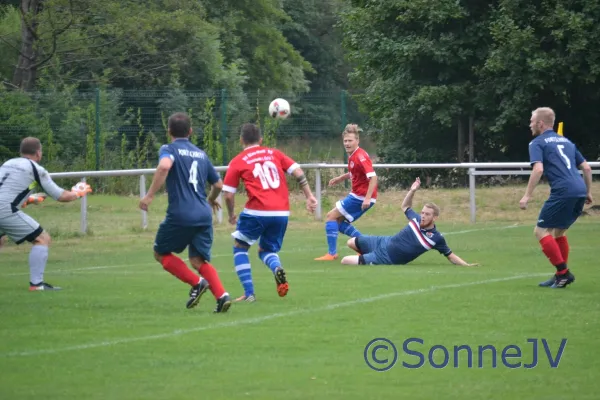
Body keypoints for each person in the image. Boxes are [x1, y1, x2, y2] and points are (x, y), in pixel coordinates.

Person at [139, 112, 231, 313]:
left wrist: (149, 196)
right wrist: (211, 199)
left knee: (160, 252)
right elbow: (218, 184)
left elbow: (164, 166)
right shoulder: (201, 153)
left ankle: (197, 284)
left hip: (181, 214)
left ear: (169, 131)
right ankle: (222, 296)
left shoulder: (168, 149)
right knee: (198, 260)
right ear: (190, 132)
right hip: (203, 214)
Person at [222, 123, 318, 302]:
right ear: (261, 139)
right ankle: (276, 268)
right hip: (281, 212)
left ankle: (249, 293)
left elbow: (228, 195)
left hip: (257, 211)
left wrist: (230, 215)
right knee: (266, 250)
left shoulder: (238, 161)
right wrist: (310, 196)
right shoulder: (275, 153)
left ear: (241, 140)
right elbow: (298, 172)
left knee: (240, 247)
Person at [0, 137, 91, 290]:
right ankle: (37, 285)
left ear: (21, 152)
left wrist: (29, 199)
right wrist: (77, 193)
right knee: (42, 239)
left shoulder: (8, 163)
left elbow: (6, 192)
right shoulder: (37, 169)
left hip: (4, 207)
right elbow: (62, 196)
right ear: (38, 153)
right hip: (4, 210)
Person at [519, 107, 593, 288]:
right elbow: (587, 168)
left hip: (563, 191)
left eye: (531, 121)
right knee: (559, 232)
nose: (530, 124)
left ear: (540, 123)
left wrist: (527, 195)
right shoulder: (566, 142)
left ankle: (563, 273)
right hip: (579, 189)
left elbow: (538, 169)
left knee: (540, 231)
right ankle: (560, 275)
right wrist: (588, 191)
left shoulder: (537, 143)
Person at [340, 177, 479, 267]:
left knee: (345, 261)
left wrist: (466, 265)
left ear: (434, 217)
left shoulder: (436, 238)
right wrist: (412, 191)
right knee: (351, 242)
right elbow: (405, 206)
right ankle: (365, 257)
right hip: (383, 241)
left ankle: (369, 259)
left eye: (427, 214)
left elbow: (451, 255)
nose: (423, 216)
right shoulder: (416, 219)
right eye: (422, 212)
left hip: (387, 257)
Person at [315, 124, 377, 261]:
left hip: (360, 197)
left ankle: (332, 254)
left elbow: (373, 177)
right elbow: (355, 172)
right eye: (345, 141)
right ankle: (364, 247)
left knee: (331, 216)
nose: (347, 143)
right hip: (358, 195)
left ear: (357, 141)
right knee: (337, 222)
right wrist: (340, 178)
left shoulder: (360, 156)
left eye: (350, 140)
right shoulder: (354, 155)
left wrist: (367, 198)